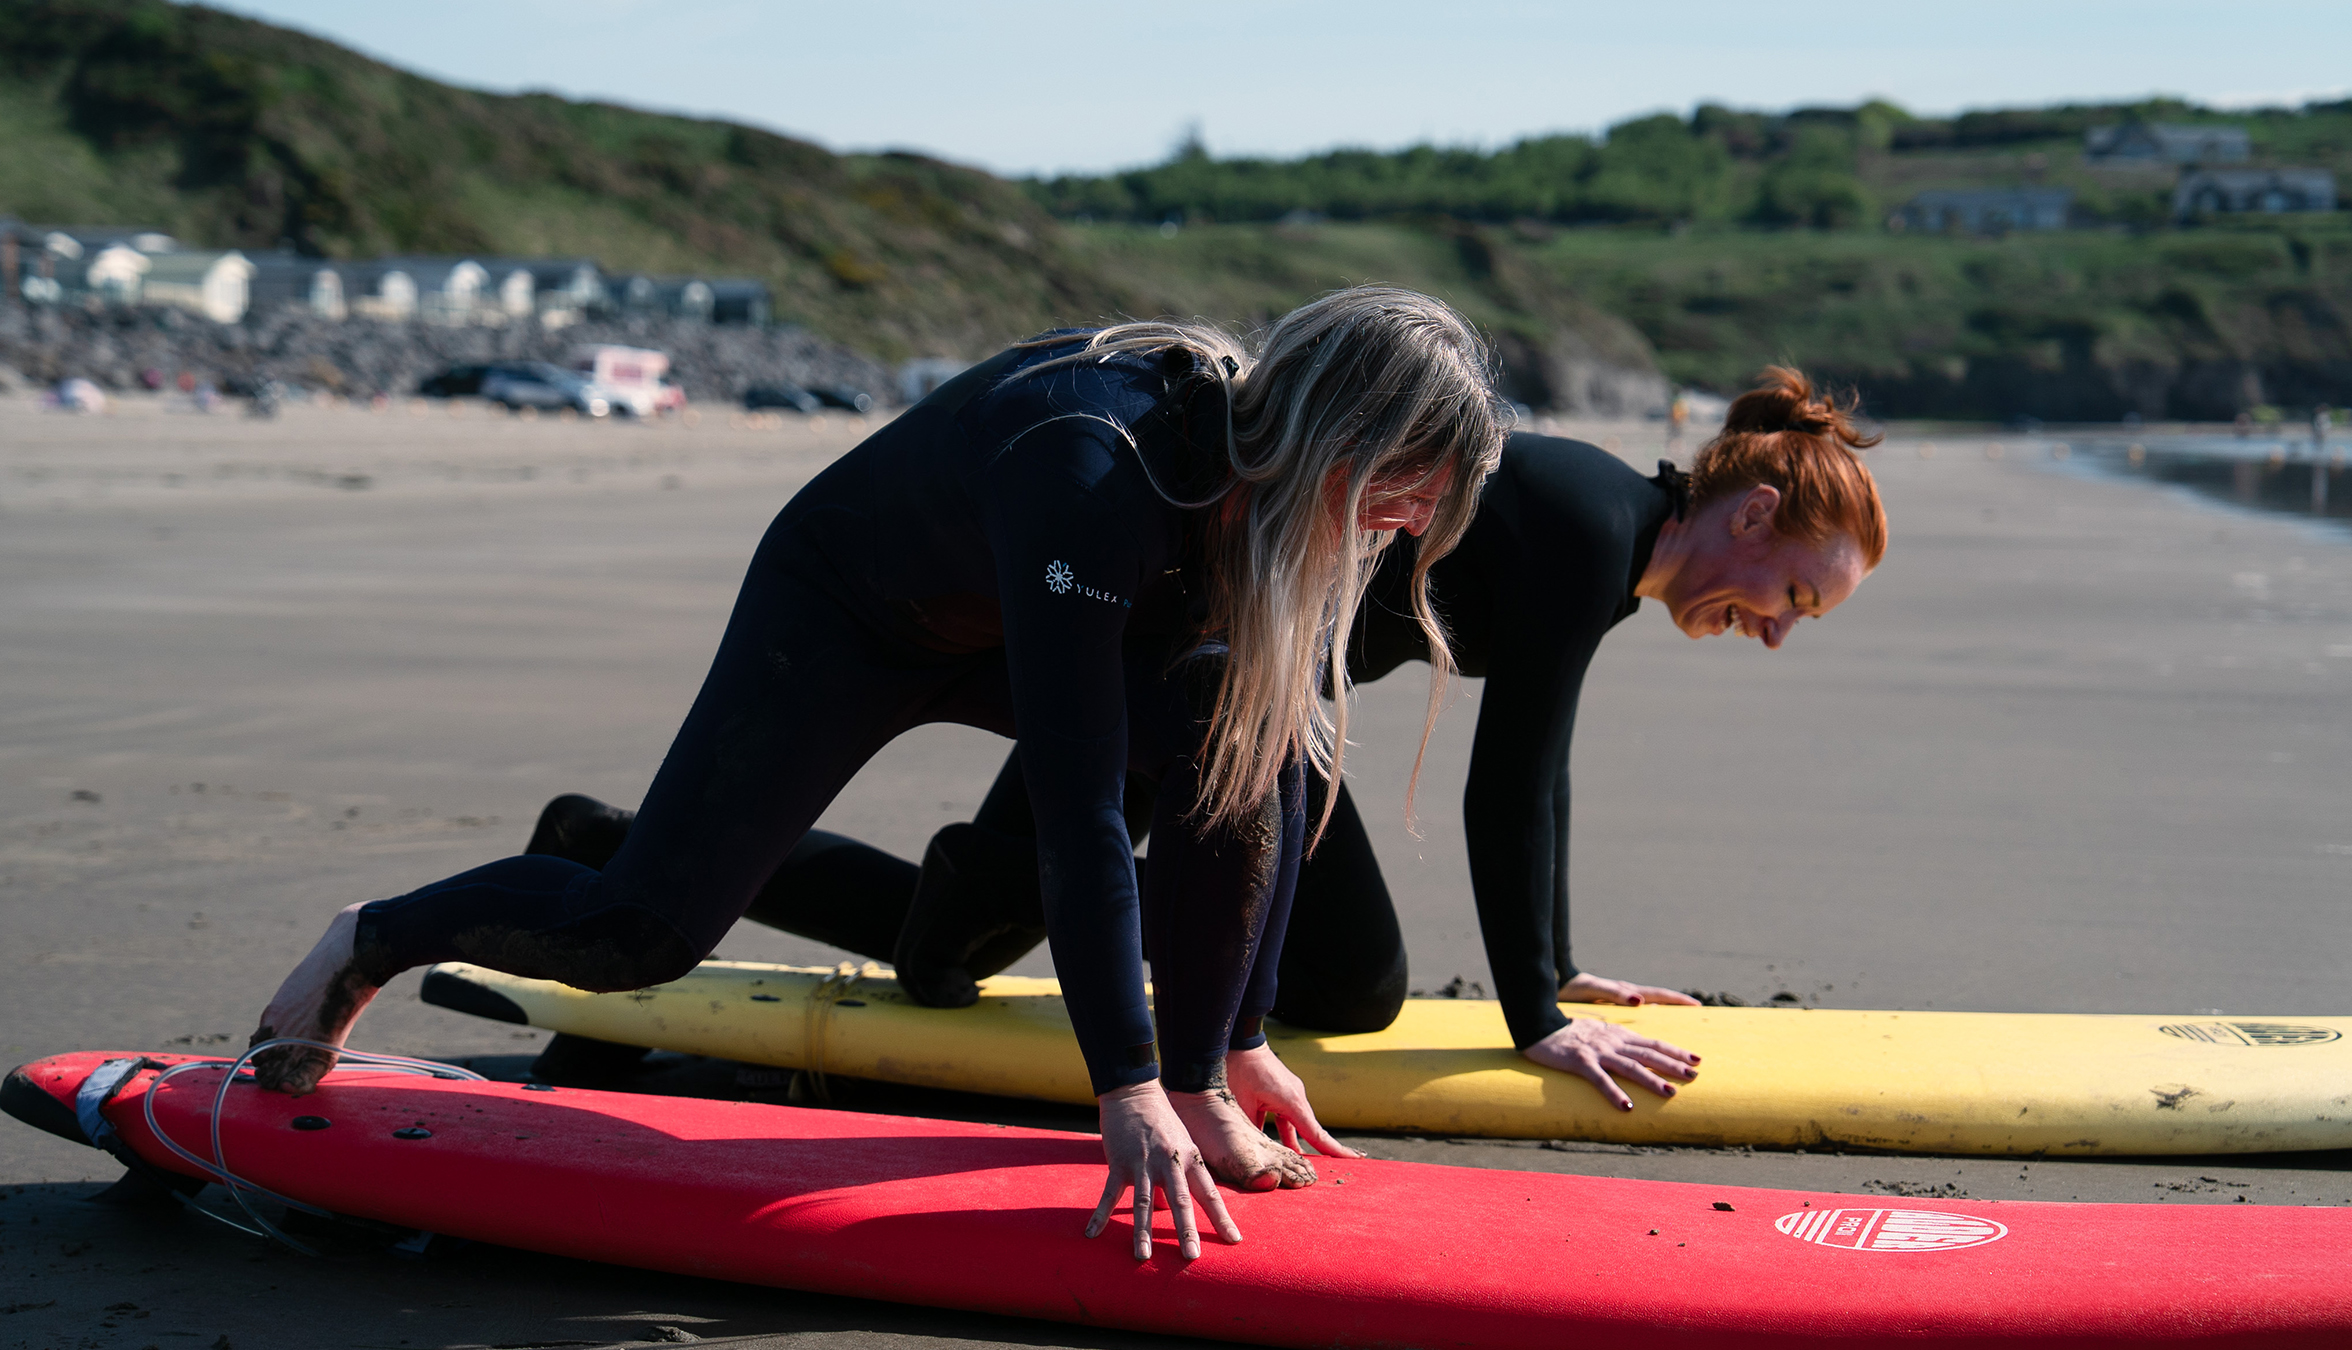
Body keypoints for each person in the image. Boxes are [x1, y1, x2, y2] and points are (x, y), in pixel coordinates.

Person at [248, 286, 1508, 1261]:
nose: (1398, 530)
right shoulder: (1096, 472)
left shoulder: (1251, 491)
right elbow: (1077, 812)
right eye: (1399, 496)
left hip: (1013, 623)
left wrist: (1231, 1046)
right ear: (1334, 437)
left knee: (1243, 736)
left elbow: (1262, 786)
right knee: (640, 930)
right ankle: (371, 938)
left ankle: (1207, 1074)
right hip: (851, 613)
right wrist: (1120, 1084)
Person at [530, 366, 1887, 1115]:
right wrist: (1536, 1018)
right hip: (1168, 679)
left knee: (1350, 984)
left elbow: (1545, 781)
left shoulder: (1608, 542)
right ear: (1752, 513)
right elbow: (1512, 786)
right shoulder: (1594, 525)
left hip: (1256, 720)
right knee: (945, 959)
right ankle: (610, 851)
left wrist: (1565, 961)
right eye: (1794, 599)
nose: (1776, 629)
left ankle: (1039, 909)